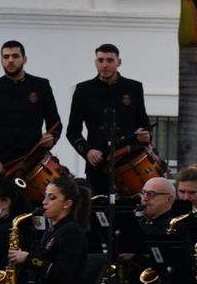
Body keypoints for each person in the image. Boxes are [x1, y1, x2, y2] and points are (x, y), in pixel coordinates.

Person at [65, 43, 151, 196]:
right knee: (99, 212)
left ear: (119, 62)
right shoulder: (83, 90)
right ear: (95, 62)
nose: (105, 65)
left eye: (110, 60)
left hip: (129, 163)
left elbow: (144, 124)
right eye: (101, 60)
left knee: (128, 212)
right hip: (98, 165)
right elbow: (72, 131)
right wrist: (88, 151)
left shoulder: (134, 88)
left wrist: (146, 135)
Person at [0, 40, 60, 179]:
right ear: (1, 60)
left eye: (15, 56)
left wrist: (52, 139)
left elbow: (55, 123)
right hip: (1, 165)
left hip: (34, 163)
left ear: (24, 59)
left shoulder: (41, 85)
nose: (10, 60)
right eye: (6, 57)